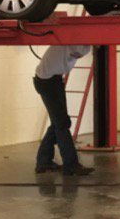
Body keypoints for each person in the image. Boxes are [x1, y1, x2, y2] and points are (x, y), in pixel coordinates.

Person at [33, 45, 95, 176]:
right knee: (62, 124)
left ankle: (43, 162)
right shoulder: (73, 41)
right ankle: (71, 165)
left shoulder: (84, 46)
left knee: (58, 123)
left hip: (53, 79)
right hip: (46, 81)